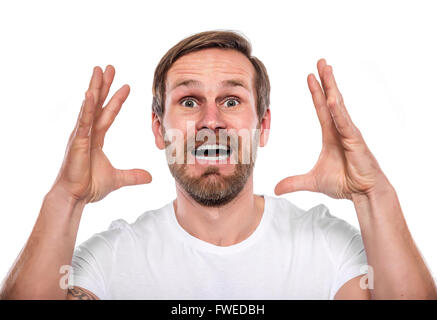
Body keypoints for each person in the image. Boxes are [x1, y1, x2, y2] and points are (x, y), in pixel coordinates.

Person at [1, 30, 436, 300]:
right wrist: (66, 198)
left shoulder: (328, 246)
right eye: (189, 101)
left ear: (262, 125)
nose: (211, 120)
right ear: (159, 129)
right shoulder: (112, 258)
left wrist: (372, 194)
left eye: (231, 100)